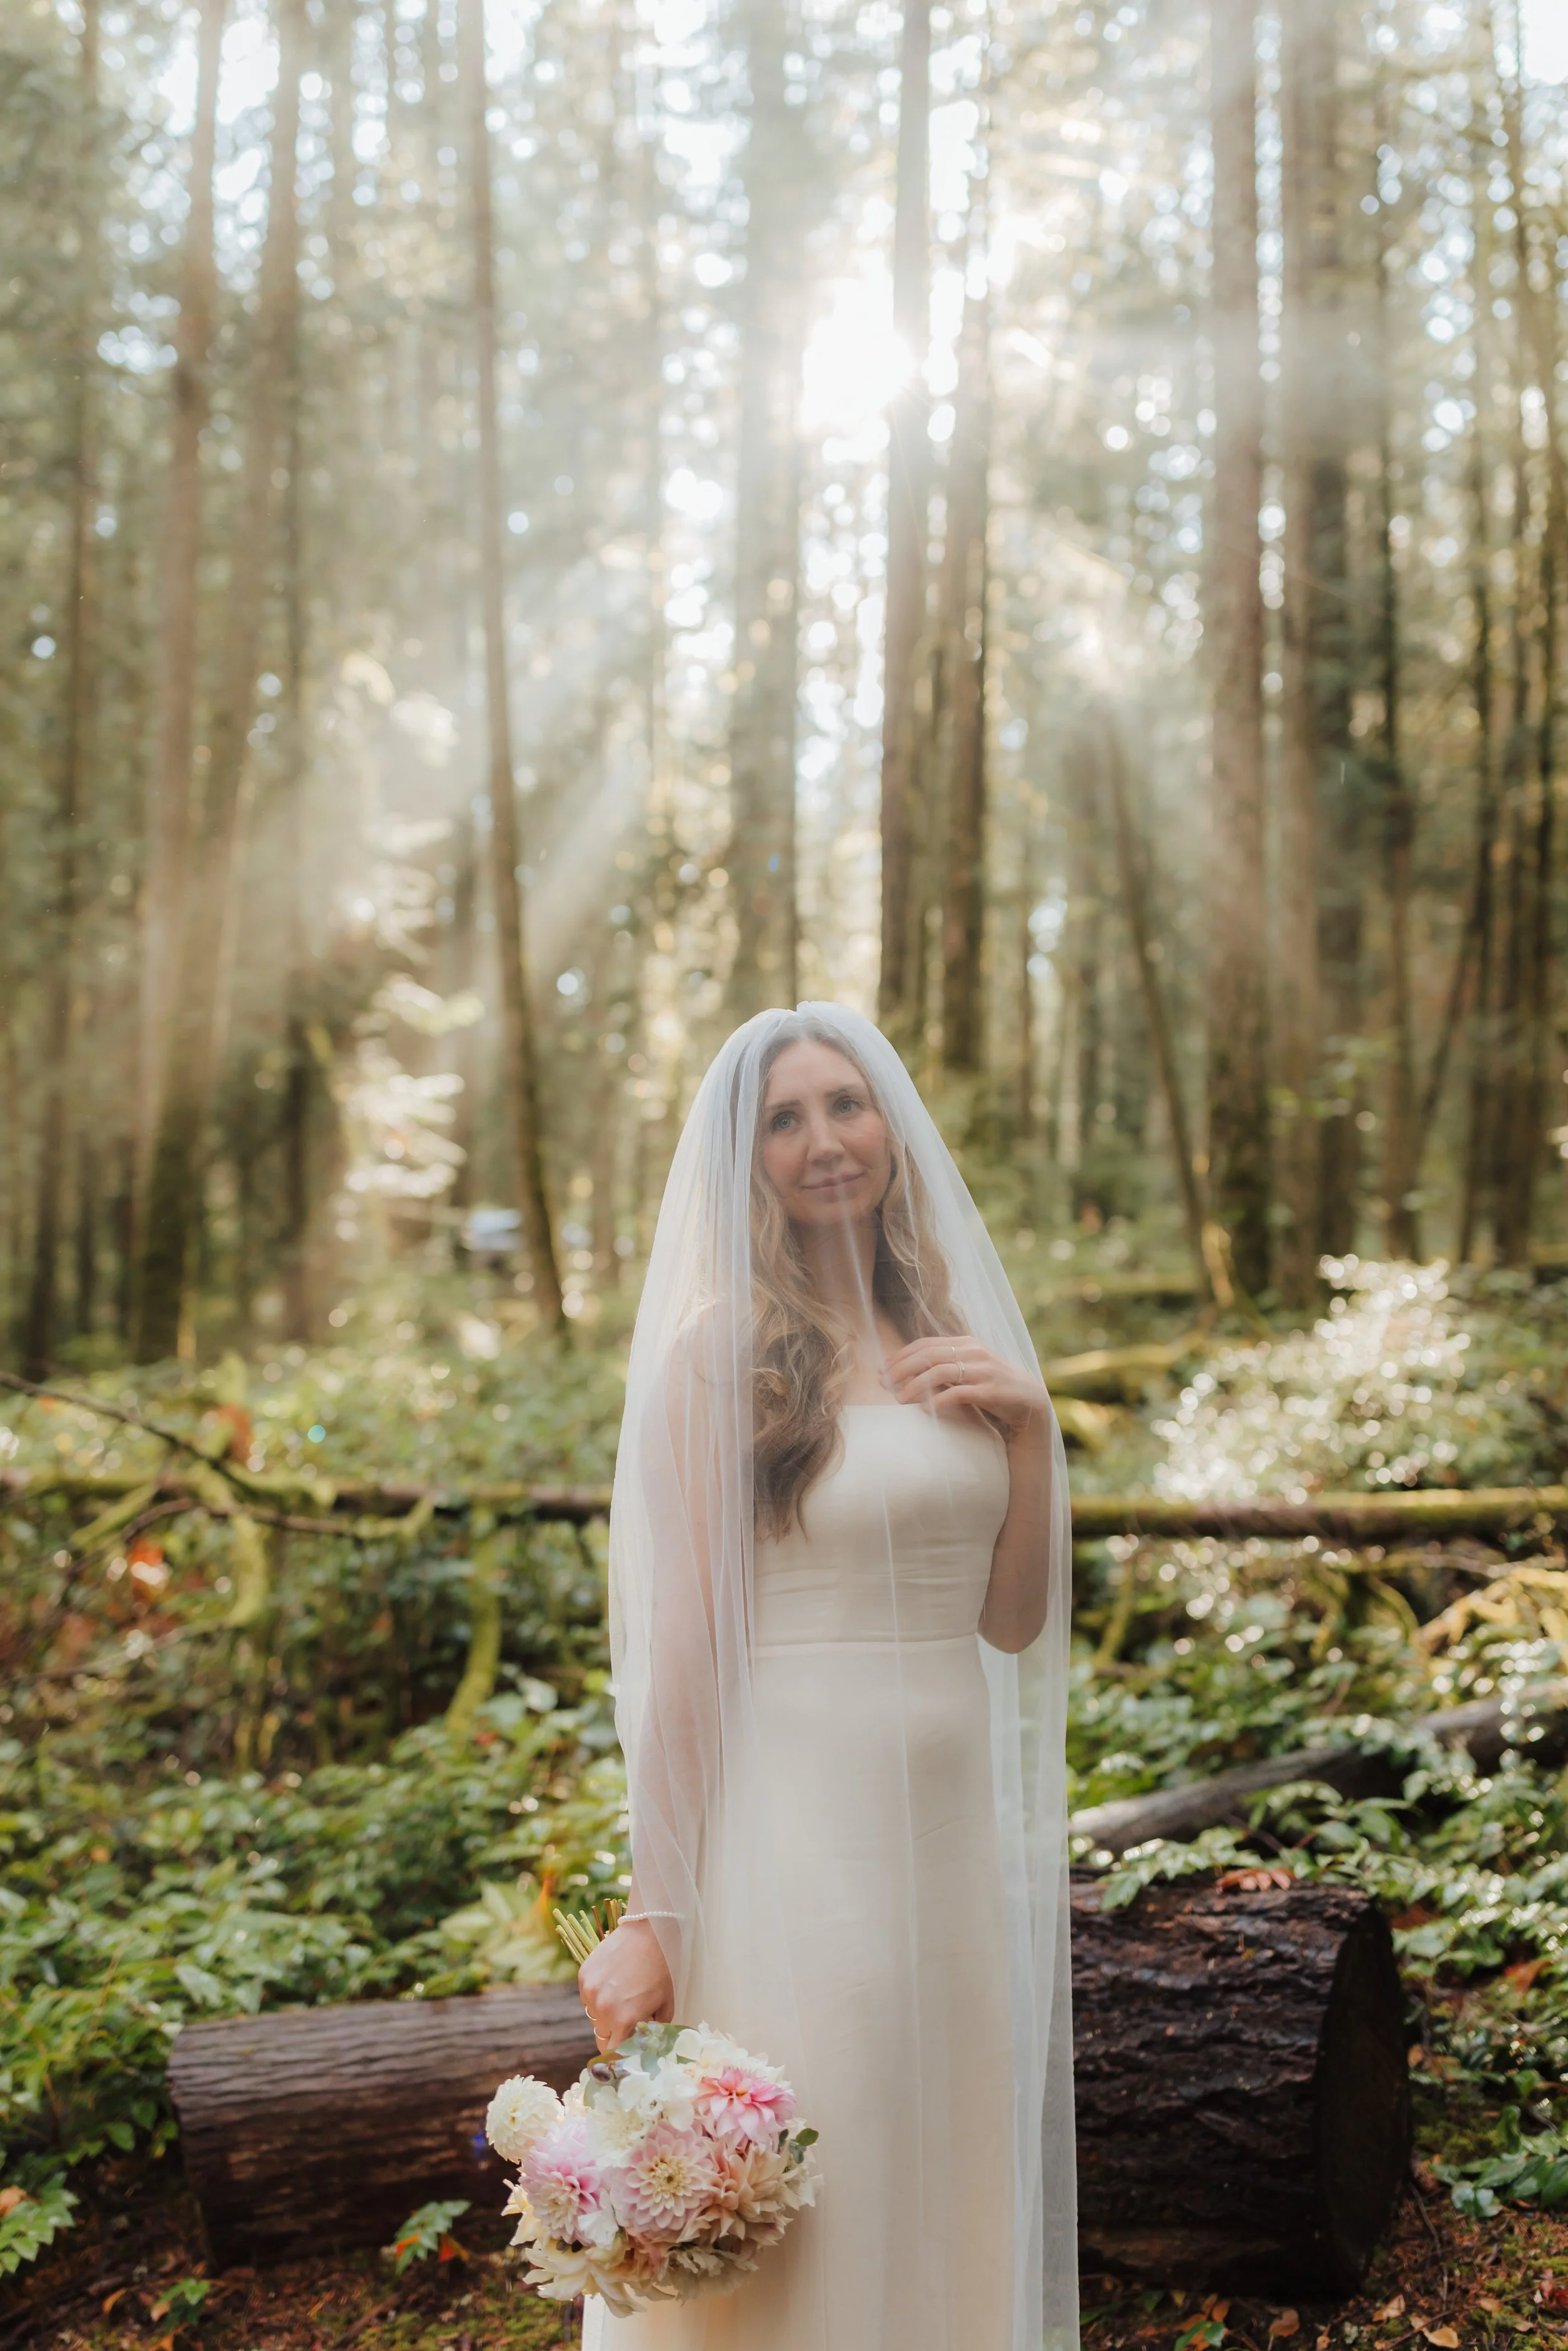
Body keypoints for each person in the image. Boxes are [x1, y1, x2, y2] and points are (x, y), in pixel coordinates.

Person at [577, 1003, 1076, 2351]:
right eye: (784, 1120)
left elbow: (1011, 1621)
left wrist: (1031, 1436)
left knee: (933, 2149)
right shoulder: (722, 1355)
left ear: (890, 1127)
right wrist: (659, 1906)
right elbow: (687, 1647)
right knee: (829, 2163)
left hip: (944, 1837)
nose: (824, 1141)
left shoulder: (949, 1337)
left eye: (845, 1104)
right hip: (799, 1833)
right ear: (748, 1161)